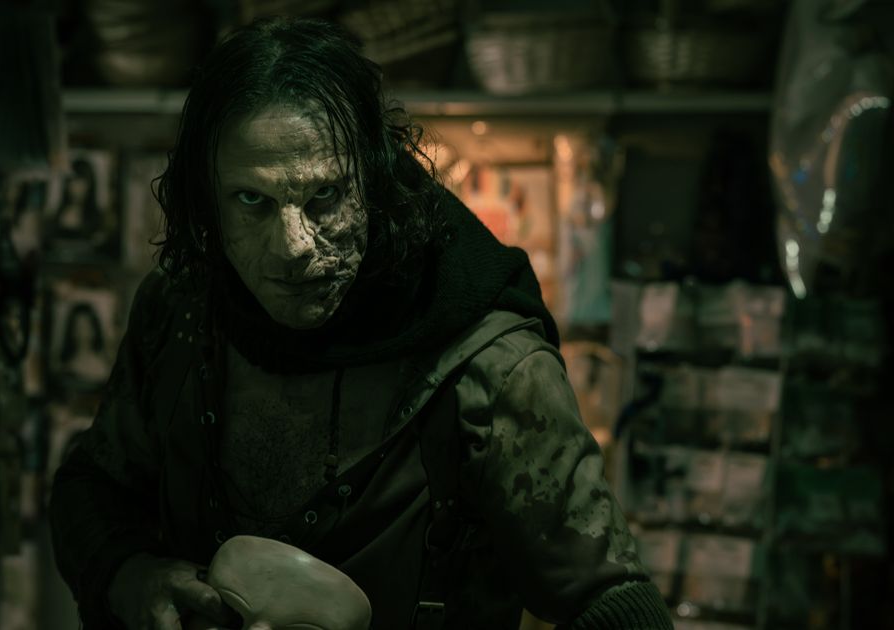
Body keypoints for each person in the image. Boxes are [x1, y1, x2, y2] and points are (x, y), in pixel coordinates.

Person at [49, 17, 672, 630]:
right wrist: (129, 575)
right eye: (252, 200)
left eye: (324, 196)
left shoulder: (490, 367)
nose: (293, 246)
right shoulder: (181, 313)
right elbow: (91, 489)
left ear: (375, 184)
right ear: (208, 202)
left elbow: (615, 608)